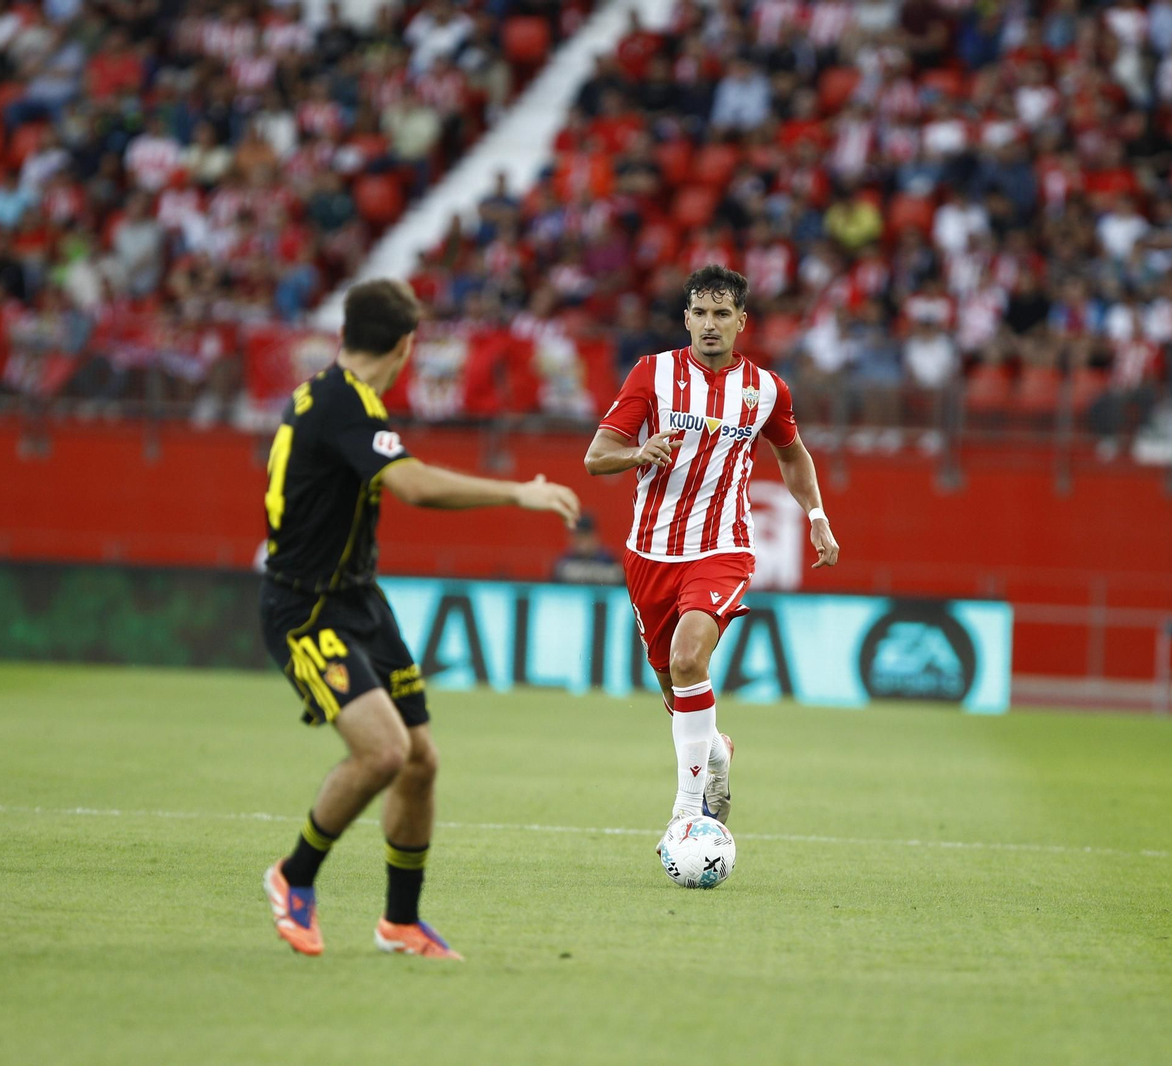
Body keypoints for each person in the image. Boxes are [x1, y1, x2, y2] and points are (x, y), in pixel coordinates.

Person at [259, 278, 580, 959]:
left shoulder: (333, 394)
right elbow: (412, 485)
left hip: (356, 601)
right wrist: (517, 493)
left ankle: (399, 922)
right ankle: (294, 875)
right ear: (408, 344)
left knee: (421, 762)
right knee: (384, 752)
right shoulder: (347, 405)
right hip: (307, 610)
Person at [583, 265, 841, 838]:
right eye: (699, 313)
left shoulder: (767, 390)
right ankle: (717, 751)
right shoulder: (653, 374)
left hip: (723, 546)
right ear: (686, 319)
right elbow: (596, 456)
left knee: (687, 658)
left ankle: (685, 813)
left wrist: (817, 518)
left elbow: (793, 454)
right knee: (676, 689)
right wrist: (637, 452)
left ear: (741, 321)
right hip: (648, 552)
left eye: (722, 314)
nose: (709, 324)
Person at [551, 513, 625, 585]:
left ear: (595, 536)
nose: (581, 541)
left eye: (585, 535)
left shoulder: (609, 560)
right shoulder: (564, 562)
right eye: (578, 536)